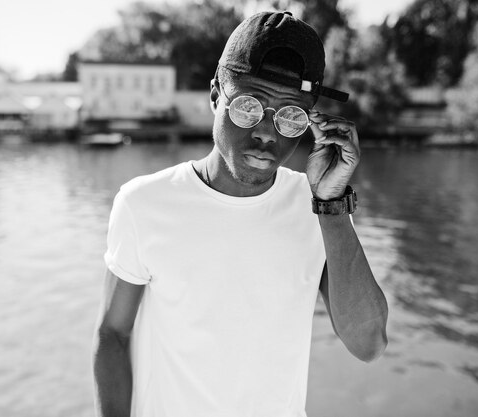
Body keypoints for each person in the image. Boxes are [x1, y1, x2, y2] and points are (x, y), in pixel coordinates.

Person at [93, 10, 388, 417]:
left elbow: (369, 343)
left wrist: (332, 206)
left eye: (290, 116)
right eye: (249, 106)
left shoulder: (319, 207)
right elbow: (112, 333)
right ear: (216, 96)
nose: (267, 132)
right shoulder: (144, 204)